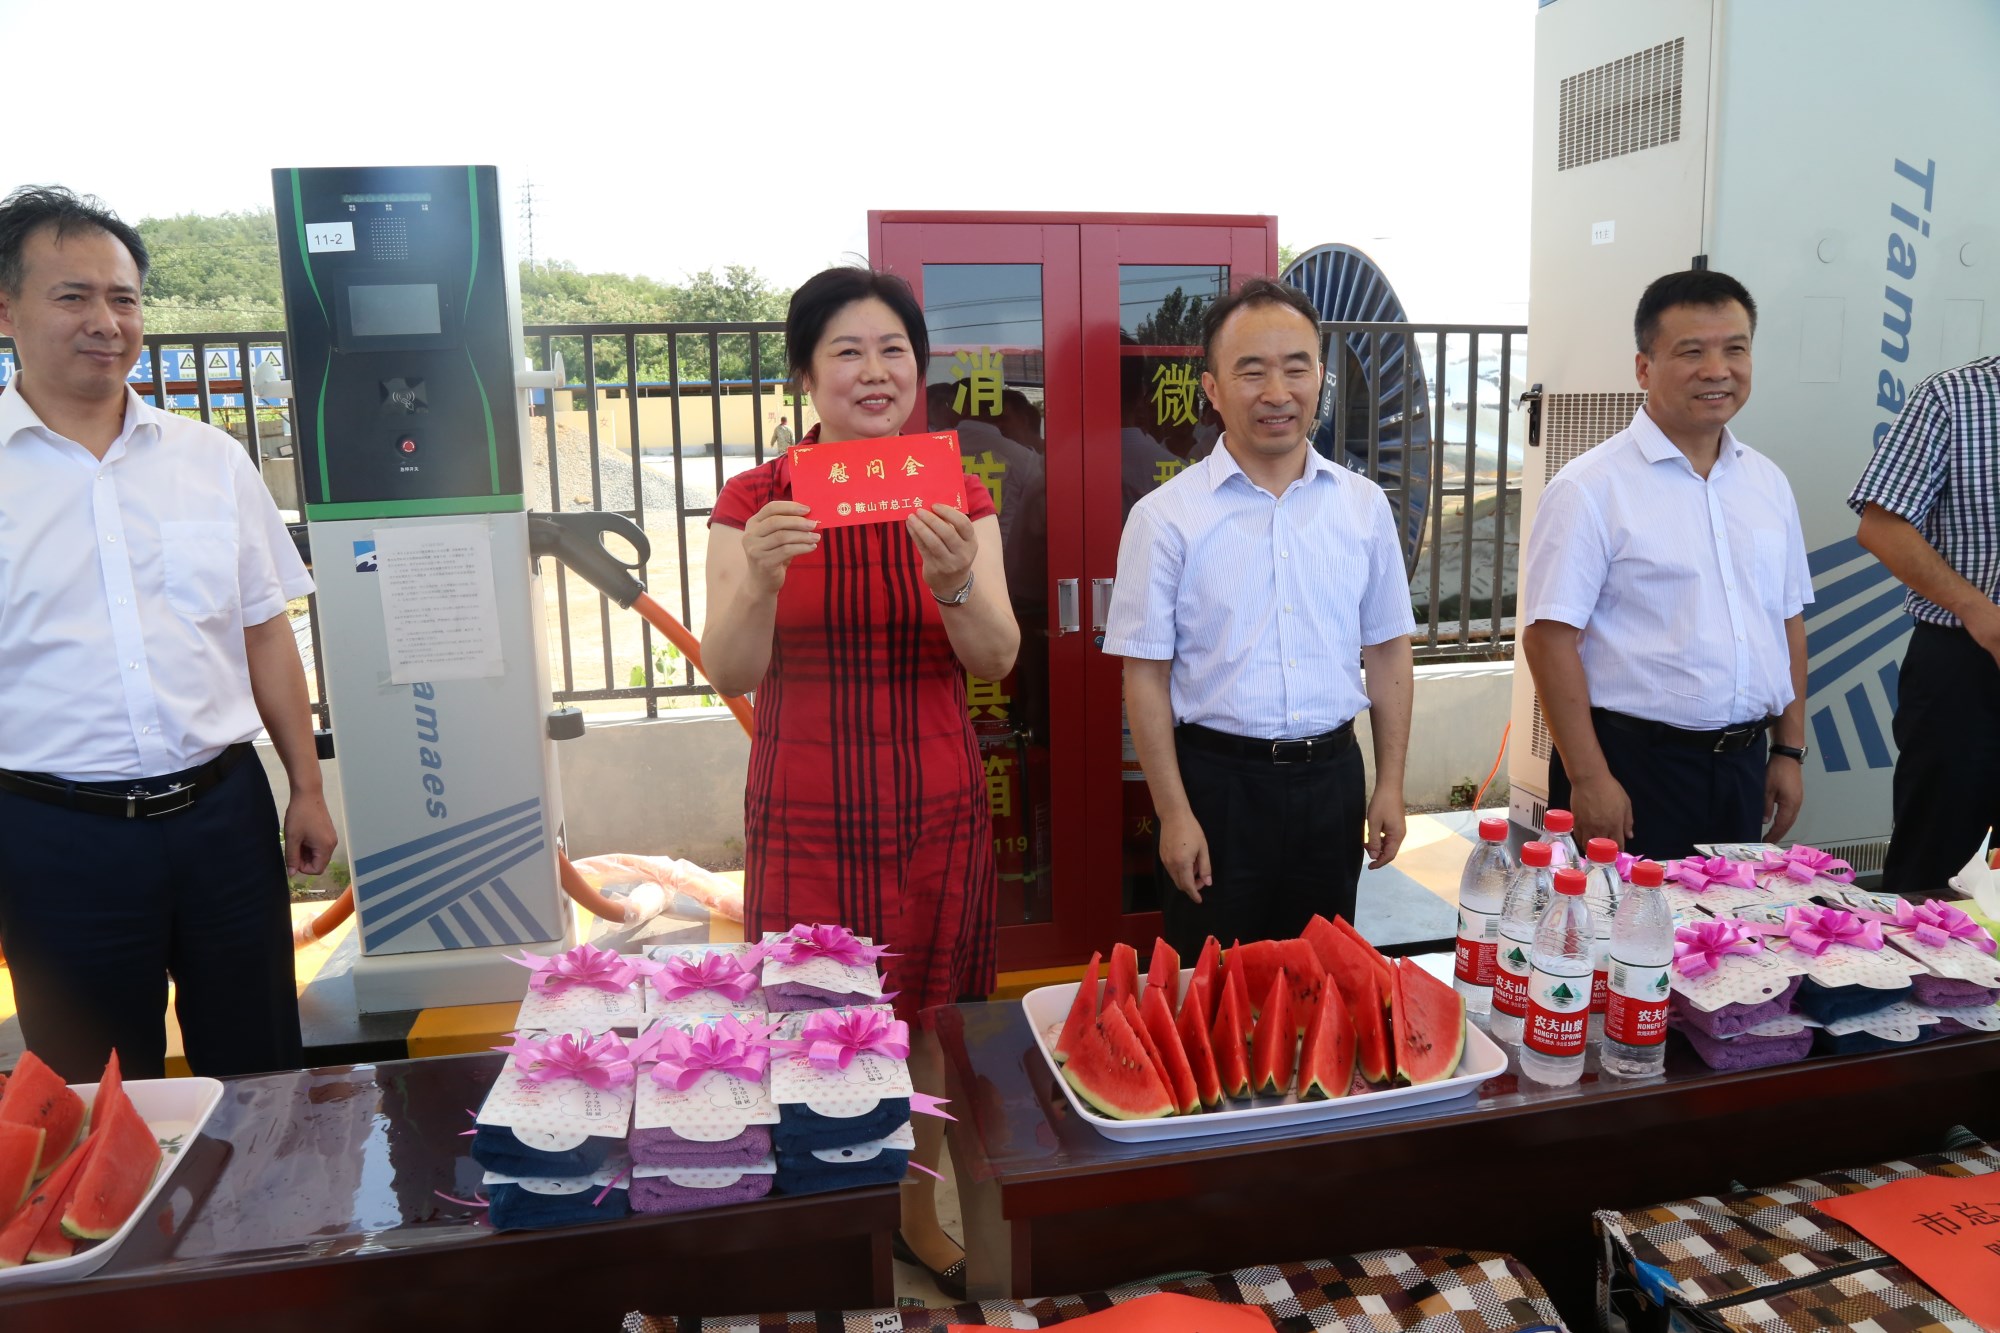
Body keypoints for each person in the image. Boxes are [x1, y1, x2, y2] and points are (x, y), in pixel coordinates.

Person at [702, 267, 1017, 1295]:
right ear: (805, 374)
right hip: (807, 803)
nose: (874, 371)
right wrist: (758, 577)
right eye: (847, 351)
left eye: (893, 350)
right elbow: (728, 667)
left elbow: (997, 655)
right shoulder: (754, 502)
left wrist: (956, 581)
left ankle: (916, 1214)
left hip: (933, 800)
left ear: (918, 369)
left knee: (927, 1020)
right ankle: (831, 1222)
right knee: (812, 1024)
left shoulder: (956, 494)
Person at [0, 186, 334, 1083]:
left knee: (262, 1070)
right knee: (98, 1092)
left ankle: (264, 1188)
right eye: (73, 296)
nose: (105, 321)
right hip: (54, 838)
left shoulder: (210, 460)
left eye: (124, 298)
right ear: (7, 309)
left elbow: (265, 632)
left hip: (222, 821)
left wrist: (306, 787)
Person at [1102, 278, 1415, 958]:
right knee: (1211, 987)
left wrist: (1390, 784)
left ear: (1320, 377)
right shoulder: (1165, 518)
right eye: (1251, 371)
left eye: (1296, 367)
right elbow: (1145, 676)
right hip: (1217, 790)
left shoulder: (1363, 507)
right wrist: (1174, 813)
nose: (1278, 392)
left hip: (1332, 782)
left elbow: (1389, 651)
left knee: (1320, 978)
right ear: (1213, 389)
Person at [1521, 270, 1812, 859]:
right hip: (1632, 768)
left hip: (1743, 767)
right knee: (1620, 918)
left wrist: (1787, 751)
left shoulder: (1767, 482)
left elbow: (1785, 621)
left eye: (1735, 349)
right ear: (1643, 368)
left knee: (1729, 919)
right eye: (1691, 352)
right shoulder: (1590, 488)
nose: (1717, 370)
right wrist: (1589, 778)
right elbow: (1548, 640)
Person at [1849, 355, 2000, 893]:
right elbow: (1881, 526)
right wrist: (1980, 614)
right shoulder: (1954, 396)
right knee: (1937, 866)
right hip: (1966, 662)